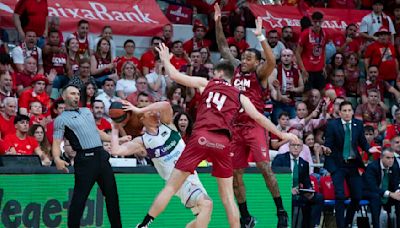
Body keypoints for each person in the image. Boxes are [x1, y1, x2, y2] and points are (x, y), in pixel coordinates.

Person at [135, 43, 298, 228]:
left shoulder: (207, 83)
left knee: (171, 187)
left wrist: (165, 58)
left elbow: (174, 75)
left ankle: (144, 224)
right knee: (228, 197)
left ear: (219, 74)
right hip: (222, 142)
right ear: (231, 77)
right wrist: (282, 134)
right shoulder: (239, 95)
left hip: (201, 136)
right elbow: (259, 118)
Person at [214, 4, 288, 227]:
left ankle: (281, 211)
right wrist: (217, 22)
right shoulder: (236, 68)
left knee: (266, 169)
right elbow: (223, 46)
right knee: (235, 175)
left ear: (257, 62)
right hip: (235, 128)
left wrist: (261, 37)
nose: (243, 60)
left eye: (248, 58)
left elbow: (272, 61)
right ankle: (246, 216)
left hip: (254, 126)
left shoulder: (261, 73)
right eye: (243, 58)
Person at [111, 101, 212, 227]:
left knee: (202, 218)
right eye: (150, 111)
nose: (155, 112)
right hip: (178, 182)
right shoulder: (143, 141)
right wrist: (115, 129)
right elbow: (116, 150)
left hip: (192, 176)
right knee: (207, 204)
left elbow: (165, 105)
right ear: (142, 118)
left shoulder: (169, 125)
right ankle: (144, 224)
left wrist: (138, 109)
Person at [52, 84, 122, 227]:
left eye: (77, 94)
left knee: (112, 197)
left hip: (101, 157)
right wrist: (57, 158)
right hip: (85, 160)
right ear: (64, 96)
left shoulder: (86, 111)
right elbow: (56, 142)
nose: (76, 96)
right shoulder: (61, 119)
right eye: (72, 94)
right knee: (79, 199)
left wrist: (117, 139)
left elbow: (97, 132)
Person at [324, 101, 381, 228]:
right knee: (339, 195)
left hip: (352, 163)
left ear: (352, 112)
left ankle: (347, 221)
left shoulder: (358, 124)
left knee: (357, 196)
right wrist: (326, 149)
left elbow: (362, 141)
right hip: (337, 164)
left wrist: (368, 149)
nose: (347, 113)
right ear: (340, 113)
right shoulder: (332, 125)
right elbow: (328, 142)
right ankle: (340, 226)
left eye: (349, 110)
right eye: (344, 110)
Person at [272, 139, 323, 228]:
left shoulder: (304, 163)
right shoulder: (280, 159)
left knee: (318, 198)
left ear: (302, 148)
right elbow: (274, 180)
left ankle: (311, 225)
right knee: (292, 201)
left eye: (298, 145)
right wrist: (288, 190)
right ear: (289, 146)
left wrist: (309, 191)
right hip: (283, 192)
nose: (296, 147)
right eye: (293, 145)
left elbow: (306, 182)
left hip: (298, 192)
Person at [363, 147, 400, 228]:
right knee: (375, 197)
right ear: (381, 157)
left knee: (399, 199)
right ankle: (376, 226)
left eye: (392, 158)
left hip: (386, 193)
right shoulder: (372, 167)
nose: (391, 160)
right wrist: (390, 194)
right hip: (369, 192)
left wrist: (397, 192)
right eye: (388, 158)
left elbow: (396, 183)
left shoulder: (394, 166)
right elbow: (372, 187)